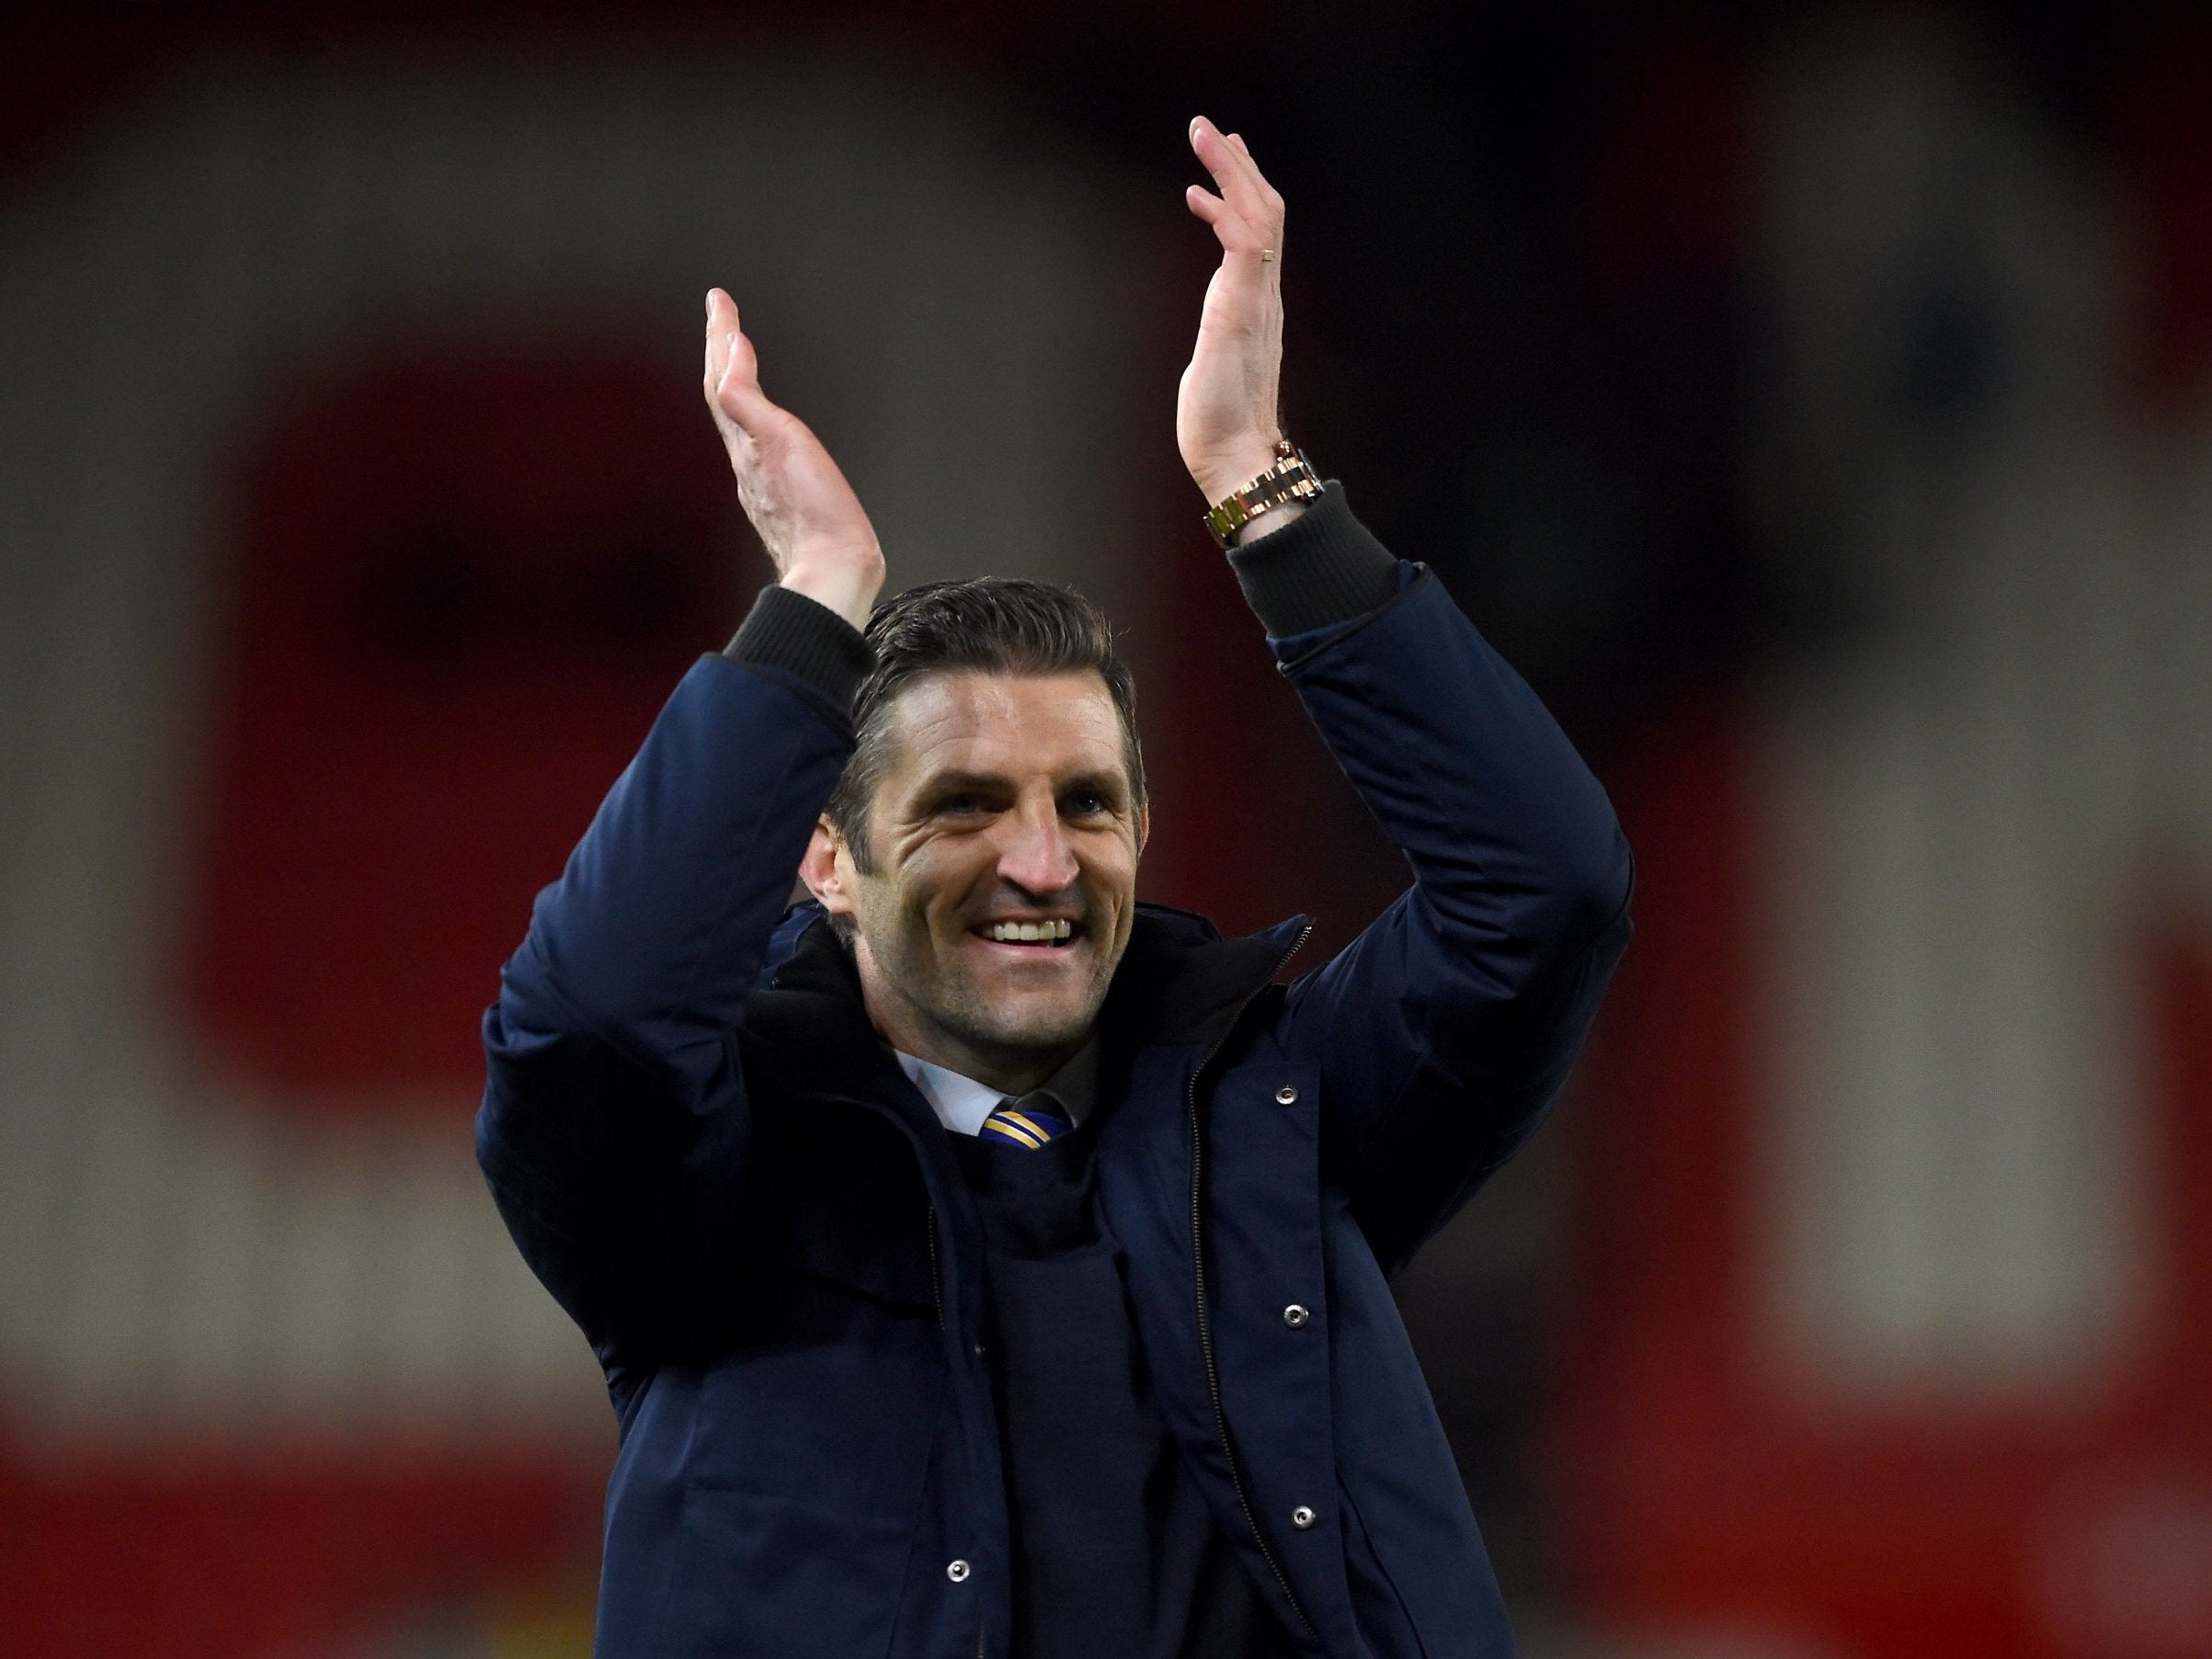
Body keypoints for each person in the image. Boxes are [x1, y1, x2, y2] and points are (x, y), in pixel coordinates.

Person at [478, 117, 1632, 1659]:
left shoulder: (1286, 1121)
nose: (1040, 860)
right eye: (964, 805)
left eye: (1086, 802)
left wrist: (1258, 488)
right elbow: (596, 1020)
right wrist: (815, 605)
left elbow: (1544, 889)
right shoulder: (711, 1182)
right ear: (823, 855)